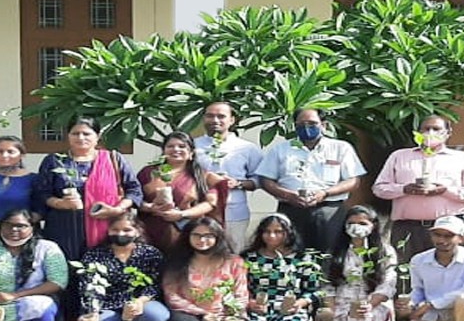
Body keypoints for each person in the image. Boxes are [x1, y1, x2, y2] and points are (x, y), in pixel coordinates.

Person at [372, 115, 464, 259]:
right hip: (407, 227)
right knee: (406, 273)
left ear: (448, 133)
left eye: (436, 129)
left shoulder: (461, 158)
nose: (430, 132)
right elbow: (379, 188)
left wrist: (446, 191)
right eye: (426, 129)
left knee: (449, 271)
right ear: (418, 132)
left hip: (448, 228)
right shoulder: (399, 156)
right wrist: (404, 189)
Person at [257, 108, 367, 253]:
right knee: (289, 252)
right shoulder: (280, 149)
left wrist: (325, 193)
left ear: (324, 125)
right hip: (291, 209)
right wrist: (288, 195)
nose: (306, 128)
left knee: (328, 254)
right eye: (301, 124)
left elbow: (353, 181)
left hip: (329, 210)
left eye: (312, 123)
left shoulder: (340, 148)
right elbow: (266, 179)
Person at [35, 117, 143, 261]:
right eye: (75, 133)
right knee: (67, 271)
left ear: (97, 136)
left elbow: (134, 190)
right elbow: (42, 193)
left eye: (86, 134)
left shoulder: (113, 159)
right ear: (68, 136)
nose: (80, 137)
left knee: (103, 273)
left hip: (106, 226)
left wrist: (117, 209)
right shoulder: (55, 160)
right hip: (65, 228)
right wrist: (61, 204)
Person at [73, 211, 170, 321]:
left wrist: (140, 302)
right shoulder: (95, 255)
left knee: (157, 317)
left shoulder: (150, 254)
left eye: (127, 230)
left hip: (140, 305)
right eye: (115, 229)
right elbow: (88, 287)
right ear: (108, 231)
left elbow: (155, 284)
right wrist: (93, 312)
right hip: (107, 305)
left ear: (137, 231)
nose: (121, 234)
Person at [161, 217, 251, 321]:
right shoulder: (177, 261)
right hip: (190, 315)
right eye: (196, 235)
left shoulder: (234, 262)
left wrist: (233, 316)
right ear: (187, 236)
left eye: (208, 236)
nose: (202, 240)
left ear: (218, 237)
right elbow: (171, 296)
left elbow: (241, 294)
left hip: (223, 316)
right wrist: (203, 314)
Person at [316, 205, 398, 321]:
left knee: (373, 316)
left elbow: (388, 282)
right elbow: (326, 283)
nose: (356, 228)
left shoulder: (385, 251)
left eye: (362, 224)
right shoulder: (335, 251)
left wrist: (369, 304)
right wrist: (331, 309)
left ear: (373, 226)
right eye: (351, 223)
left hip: (372, 299)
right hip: (342, 300)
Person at [241, 214, 325, 321]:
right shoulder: (249, 258)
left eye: (278, 232)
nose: (272, 236)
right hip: (259, 309)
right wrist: (250, 303)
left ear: (288, 233)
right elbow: (240, 287)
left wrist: (300, 303)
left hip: (290, 309)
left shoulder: (303, 258)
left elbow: (315, 290)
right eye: (266, 232)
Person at [194, 102, 266, 245]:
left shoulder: (247, 148)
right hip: (198, 210)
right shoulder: (192, 146)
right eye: (210, 116)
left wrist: (238, 183)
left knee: (233, 253)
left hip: (234, 212)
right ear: (203, 118)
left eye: (221, 116)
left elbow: (260, 179)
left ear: (232, 120)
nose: (215, 120)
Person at [137, 131, 223, 250]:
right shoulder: (148, 173)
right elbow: (134, 198)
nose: (175, 149)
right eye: (170, 146)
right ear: (164, 151)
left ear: (191, 153)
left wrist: (181, 214)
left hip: (185, 234)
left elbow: (210, 204)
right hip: (149, 233)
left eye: (182, 146)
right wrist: (150, 207)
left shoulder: (202, 176)